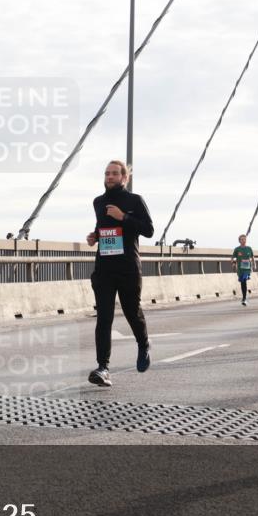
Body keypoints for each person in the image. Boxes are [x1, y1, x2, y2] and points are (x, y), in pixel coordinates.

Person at [86, 160, 154, 387]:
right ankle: (103, 368)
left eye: (115, 174)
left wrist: (123, 217)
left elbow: (149, 230)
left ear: (125, 178)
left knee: (132, 312)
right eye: (107, 173)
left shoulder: (134, 201)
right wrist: (94, 236)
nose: (110, 177)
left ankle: (143, 344)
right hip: (104, 268)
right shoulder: (98, 202)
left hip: (128, 268)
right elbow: (103, 228)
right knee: (104, 319)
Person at [232, 235, 255, 306]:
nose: (243, 240)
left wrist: (254, 264)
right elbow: (233, 258)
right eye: (242, 239)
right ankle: (244, 297)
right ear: (239, 241)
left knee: (244, 280)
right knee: (242, 283)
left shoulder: (249, 248)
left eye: (244, 239)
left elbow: (252, 257)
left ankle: (244, 298)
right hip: (240, 269)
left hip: (247, 269)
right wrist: (233, 263)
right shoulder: (237, 249)